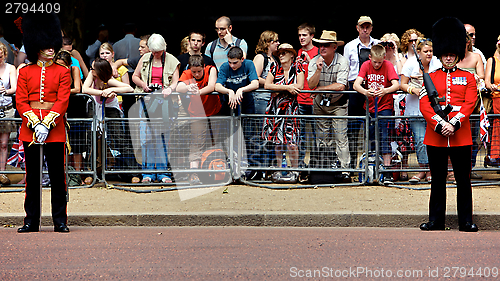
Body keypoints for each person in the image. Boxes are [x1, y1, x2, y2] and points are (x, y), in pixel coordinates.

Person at [419, 17, 478, 232]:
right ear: (441, 55)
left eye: (452, 55)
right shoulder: (431, 77)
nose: (449, 58)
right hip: (436, 135)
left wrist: (453, 123)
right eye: (446, 55)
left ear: (457, 55)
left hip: (459, 134)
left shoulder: (468, 78)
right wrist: (439, 123)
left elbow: (469, 102)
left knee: (463, 180)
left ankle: (466, 221)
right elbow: (425, 105)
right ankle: (436, 220)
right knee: (437, 180)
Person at [17, 13, 71, 233]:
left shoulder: (63, 71)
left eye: (52, 45)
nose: (51, 49)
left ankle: (60, 220)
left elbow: (62, 100)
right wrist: (34, 123)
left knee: (58, 177)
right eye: (46, 45)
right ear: (36, 46)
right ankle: (31, 221)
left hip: (54, 128)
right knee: (33, 178)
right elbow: (21, 101)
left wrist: (47, 123)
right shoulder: (25, 72)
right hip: (30, 130)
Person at [132, 34, 180, 184]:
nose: (155, 54)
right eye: (153, 51)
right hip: (146, 101)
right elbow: (135, 76)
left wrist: (169, 90)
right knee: (146, 138)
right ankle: (148, 174)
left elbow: (175, 82)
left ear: (163, 48)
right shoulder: (145, 58)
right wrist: (144, 86)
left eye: (157, 51)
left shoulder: (172, 61)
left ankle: (163, 173)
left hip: (164, 104)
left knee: (163, 138)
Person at [353, 44, 400, 184]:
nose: (378, 65)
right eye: (375, 62)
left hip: (385, 106)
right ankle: (370, 168)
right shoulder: (366, 65)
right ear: (370, 57)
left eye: (380, 62)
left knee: (384, 137)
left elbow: (396, 84)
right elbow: (356, 84)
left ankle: (386, 171)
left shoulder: (388, 66)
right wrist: (365, 92)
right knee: (370, 137)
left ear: (384, 58)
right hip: (370, 106)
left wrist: (385, 90)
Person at [307, 31, 350, 181]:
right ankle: (325, 167)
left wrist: (320, 89)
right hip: (320, 104)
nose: (322, 48)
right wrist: (318, 70)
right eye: (320, 45)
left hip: (338, 103)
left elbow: (341, 86)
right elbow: (311, 85)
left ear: (334, 47)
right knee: (322, 137)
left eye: (326, 45)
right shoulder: (314, 61)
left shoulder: (342, 61)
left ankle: (345, 170)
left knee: (340, 137)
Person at [261, 43, 304, 183]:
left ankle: (295, 170)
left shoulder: (297, 67)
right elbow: (267, 85)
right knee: (278, 142)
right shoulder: (274, 66)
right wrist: (287, 88)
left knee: (292, 143)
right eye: (279, 52)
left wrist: (278, 89)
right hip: (275, 109)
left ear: (292, 54)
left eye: (285, 52)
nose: (281, 54)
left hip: (291, 108)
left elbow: (300, 86)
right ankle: (279, 169)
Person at [400, 39, 441, 183]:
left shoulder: (438, 63)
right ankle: (424, 169)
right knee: (420, 140)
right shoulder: (410, 63)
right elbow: (402, 85)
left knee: (433, 140)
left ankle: (431, 170)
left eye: (430, 51)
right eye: (426, 51)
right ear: (419, 52)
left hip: (433, 110)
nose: (429, 54)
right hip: (415, 109)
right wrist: (414, 89)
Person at [176, 55, 220, 185]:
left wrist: (198, 92)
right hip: (196, 113)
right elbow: (178, 87)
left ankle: (217, 170)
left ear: (203, 67)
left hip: (214, 111)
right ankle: (193, 174)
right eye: (193, 71)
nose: (196, 74)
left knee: (217, 141)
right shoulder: (186, 73)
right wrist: (188, 88)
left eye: (199, 71)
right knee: (196, 143)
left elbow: (212, 86)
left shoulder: (210, 69)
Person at [343, 16, 380, 168]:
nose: (365, 30)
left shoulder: (378, 44)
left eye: (368, 27)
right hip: (354, 89)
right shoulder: (350, 46)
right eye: (362, 27)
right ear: (357, 28)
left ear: (371, 28)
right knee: (352, 129)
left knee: (373, 127)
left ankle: (371, 163)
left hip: (374, 88)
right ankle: (352, 164)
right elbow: (346, 70)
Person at [296, 23, 319, 167]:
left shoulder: (318, 51)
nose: (301, 38)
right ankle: (300, 165)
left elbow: (321, 72)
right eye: (299, 35)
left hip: (315, 99)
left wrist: (310, 60)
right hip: (300, 98)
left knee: (318, 135)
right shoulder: (297, 52)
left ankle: (317, 164)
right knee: (301, 136)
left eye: (304, 35)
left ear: (312, 36)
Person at [0, 42, 17, 186]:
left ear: (5, 55)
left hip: (6, 108)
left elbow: (14, 88)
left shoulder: (11, 68)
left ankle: (2, 172)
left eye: (1, 55)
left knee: (4, 144)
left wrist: (5, 91)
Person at [484, 36, 500, 166]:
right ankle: (496, 156)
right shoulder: (492, 60)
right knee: (497, 126)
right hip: (497, 97)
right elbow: (487, 82)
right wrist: (492, 86)